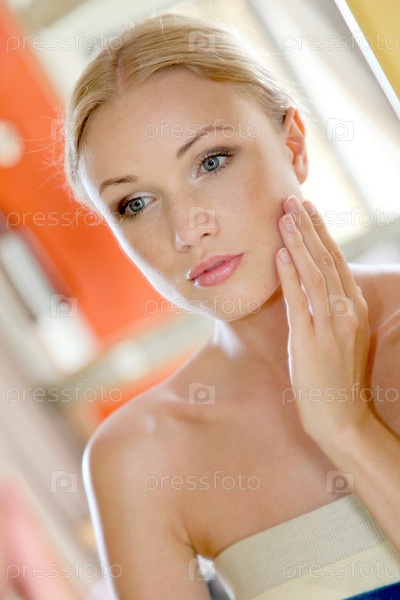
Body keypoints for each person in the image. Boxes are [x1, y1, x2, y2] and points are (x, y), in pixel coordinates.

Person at [64, 11, 400, 600]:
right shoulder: (141, 458)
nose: (186, 229)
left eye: (211, 161)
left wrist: (346, 428)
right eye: (135, 203)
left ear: (294, 146)